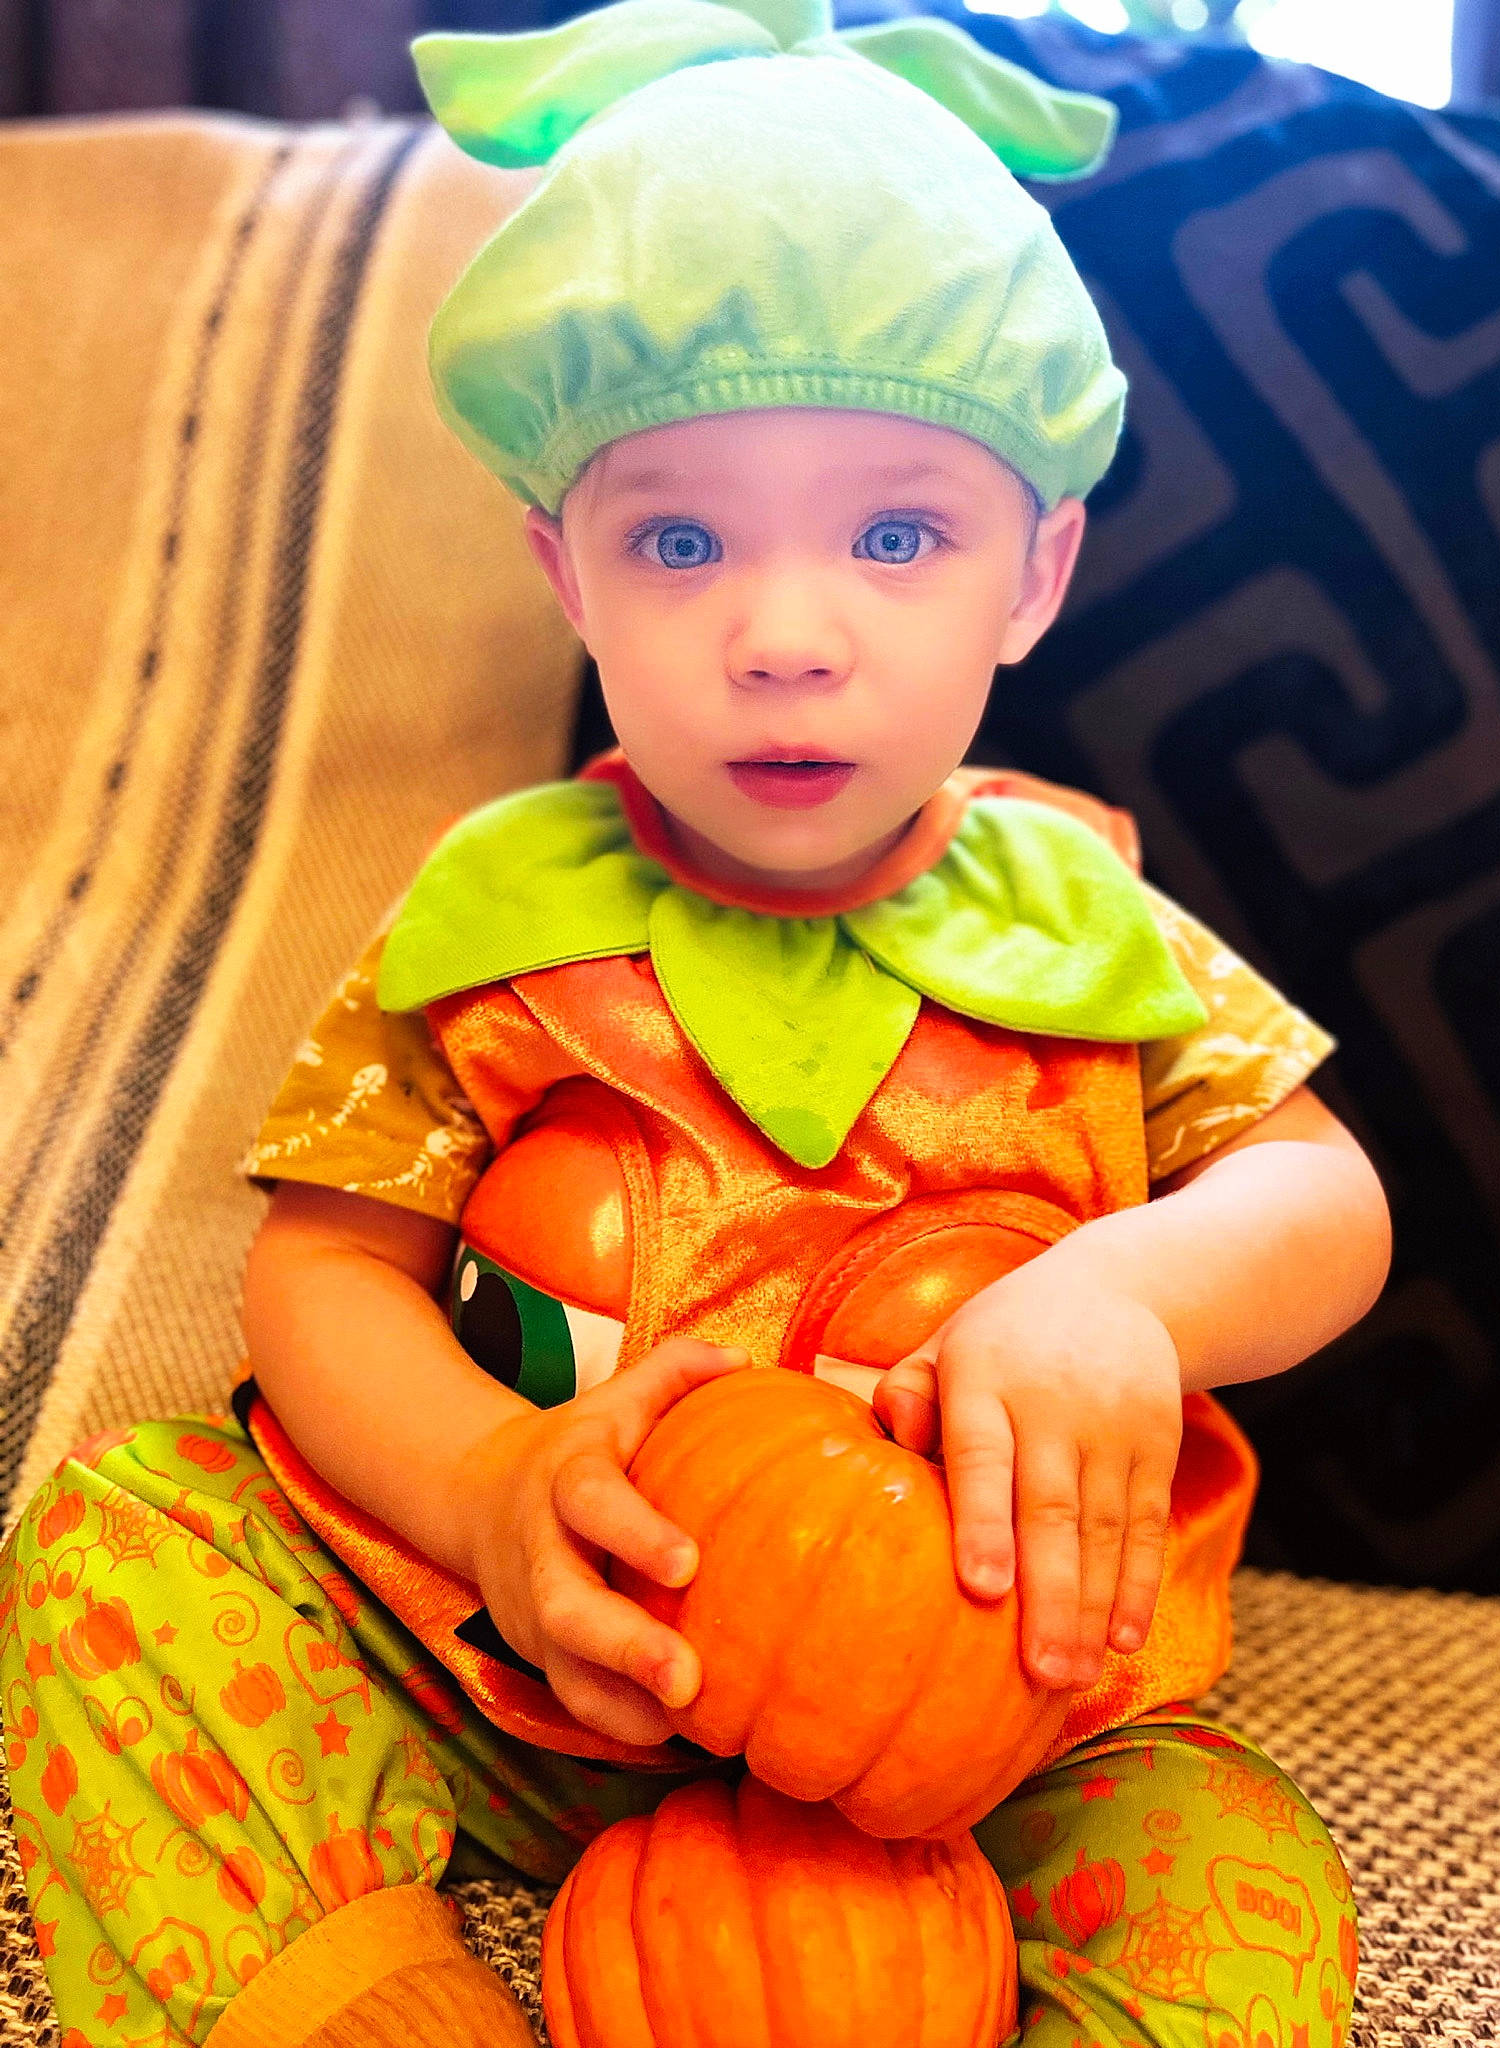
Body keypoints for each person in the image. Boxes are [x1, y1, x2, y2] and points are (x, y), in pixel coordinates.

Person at [0, 2, 1391, 2043]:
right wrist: (487, 1487)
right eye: (683, 538)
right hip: (521, 1663)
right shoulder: (501, 919)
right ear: (569, 571)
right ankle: (348, 1999)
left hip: (988, 1732)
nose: (788, 633)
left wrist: (1126, 1300)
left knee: (1228, 1882)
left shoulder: (1095, 922)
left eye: (898, 534)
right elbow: (325, 1268)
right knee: (127, 1547)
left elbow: (1324, 1197)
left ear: (1037, 569)